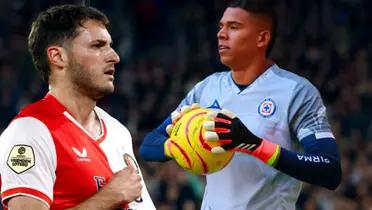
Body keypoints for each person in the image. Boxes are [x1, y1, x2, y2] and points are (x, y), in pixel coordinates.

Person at [140, 0, 342, 209]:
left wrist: (255, 146)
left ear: (262, 38)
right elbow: (149, 145)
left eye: (234, 27)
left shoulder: (297, 92)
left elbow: (329, 169)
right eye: (221, 26)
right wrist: (181, 146)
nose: (221, 34)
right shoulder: (206, 88)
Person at [0, 4, 155, 210]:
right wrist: (107, 198)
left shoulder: (118, 133)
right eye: (98, 46)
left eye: (110, 45)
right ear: (58, 56)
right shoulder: (31, 130)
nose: (115, 57)